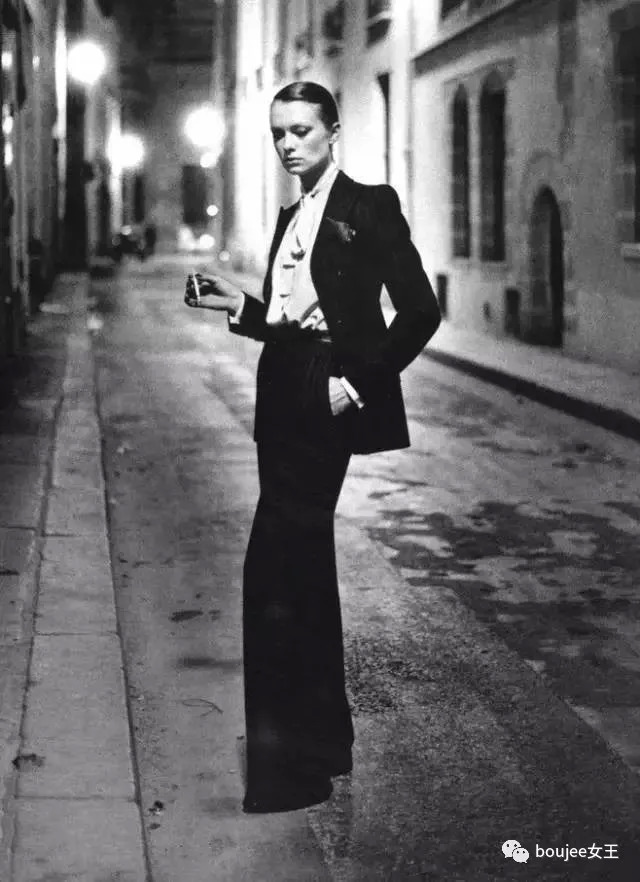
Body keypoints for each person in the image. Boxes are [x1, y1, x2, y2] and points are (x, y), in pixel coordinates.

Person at [184, 81, 441, 814]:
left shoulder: (369, 206)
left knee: (272, 575)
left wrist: (356, 386)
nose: (288, 144)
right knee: (301, 570)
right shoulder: (292, 214)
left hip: (327, 398)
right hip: (281, 397)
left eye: (301, 130)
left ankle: (287, 770)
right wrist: (239, 304)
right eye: (278, 133)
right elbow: (289, 320)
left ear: (333, 130)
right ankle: (322, 742)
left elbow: (420, 312)